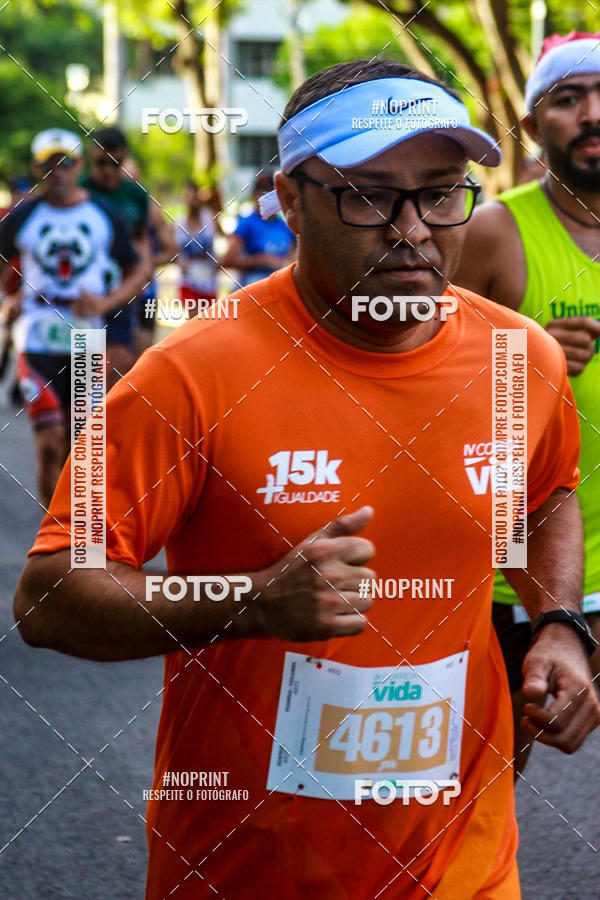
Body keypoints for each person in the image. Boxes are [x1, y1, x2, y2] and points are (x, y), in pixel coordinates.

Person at [14, 61, 600, 899]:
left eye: (441, 192)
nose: (413, 229)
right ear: (289, 199)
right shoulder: (187, 373)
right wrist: (248, 600)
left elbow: (542, 497)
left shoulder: (518, 358)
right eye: (367, 197)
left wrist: (554, 622)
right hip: (248, 864)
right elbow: (45, 595)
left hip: (464, 858)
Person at [454, 30, 600, 776]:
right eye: (568, 98)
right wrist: (524, 353)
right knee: (483, 772)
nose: (591, 113)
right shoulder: (492, 233)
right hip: (524, 565)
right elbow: (414, 376)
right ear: (536, 123)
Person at [0, 128, 145, 506]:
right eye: (49, 164)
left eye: (65, 162)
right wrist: (6, 299)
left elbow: (137, 268)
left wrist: (106, 302)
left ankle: (73, 531)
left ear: (78, 165)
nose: (57, 171)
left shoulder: (103, 213)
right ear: (36, 168)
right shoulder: (22, 216)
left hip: (85, 341)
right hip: (35, 339)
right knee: (50, 441)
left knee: (81, 446)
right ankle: (54, 535)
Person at [81, 128, 175, 384]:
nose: (109, 171)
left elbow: (143, 243)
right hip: (85, 292)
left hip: (123, 291)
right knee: (85, 378)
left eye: (116, 163)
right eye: (101, 163)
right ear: (90, 158)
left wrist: (143, 272)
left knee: (124, 362)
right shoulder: (78, 192)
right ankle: (82, 420)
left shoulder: (135, 196)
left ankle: (104, 417)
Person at [121, 156, 178, 356]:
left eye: (135, 183)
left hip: (145, 292)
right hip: (108, 292)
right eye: (125, 183)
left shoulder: (150, 208)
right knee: (92, 365)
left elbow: (172, 251)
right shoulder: (100, 205)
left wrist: (145, 263)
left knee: (140, 354)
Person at [220, 171, 295, 286]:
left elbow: (292, 258)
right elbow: (226, 261)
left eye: (270, 192)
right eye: (260, 191)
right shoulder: (246, 224)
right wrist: (261, 260)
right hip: (250, 288)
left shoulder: (284, 226)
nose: (264, 195)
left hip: (276, 290)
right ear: (254, 194)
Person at [176, 180, 220, 315]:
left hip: (208, 276)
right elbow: (174, 249)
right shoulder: (179, 222)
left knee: (207, 318)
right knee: (193, 318)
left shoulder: (210, 219)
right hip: (188, 276)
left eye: (195, 196)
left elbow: (228, 236)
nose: (192, 200)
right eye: (189, 196)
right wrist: (179, 260)